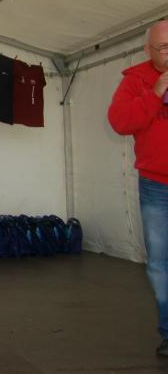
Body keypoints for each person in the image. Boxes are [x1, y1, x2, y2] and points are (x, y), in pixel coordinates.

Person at [108, 18, 168, 356]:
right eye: (164, 47)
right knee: (160, 263)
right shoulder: (135, 81)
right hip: (157, 187)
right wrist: (155, 93)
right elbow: (119, 121)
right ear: (148, 50)